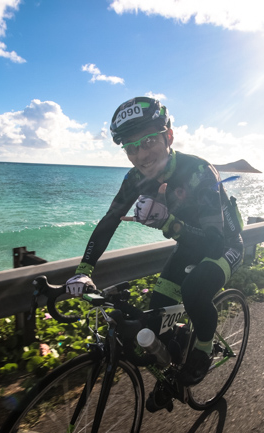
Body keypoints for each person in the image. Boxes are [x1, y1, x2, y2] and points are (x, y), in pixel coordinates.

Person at [65, 96, 244, 410]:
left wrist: (169, 224)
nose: (141, 154)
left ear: (169, 137)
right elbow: (109, 221)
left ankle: (202, 349)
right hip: (190, 245)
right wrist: (85, 268)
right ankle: (174, 374)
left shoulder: (199, 171)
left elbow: (213, 241)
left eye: (148, 141)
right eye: (131, 147)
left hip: (224, 245)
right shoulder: (136, 178)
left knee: (194, 290)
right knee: (159, 315)